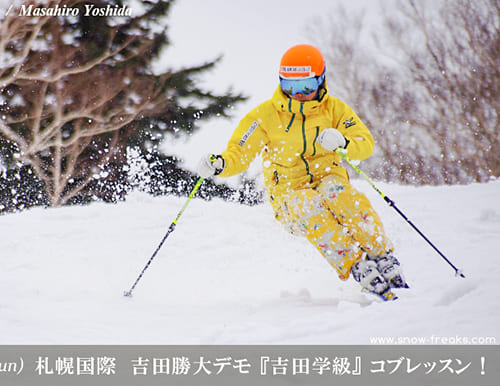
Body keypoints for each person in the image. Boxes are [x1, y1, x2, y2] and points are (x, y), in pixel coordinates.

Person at [197, 44, 408, 299]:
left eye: (306, 86)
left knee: (338, 192)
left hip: (328, 179)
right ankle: (356, 264)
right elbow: (238, 153)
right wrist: (219, 164)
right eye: (290, 87)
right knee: (308, 203)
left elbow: (365, 144)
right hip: (289, 197)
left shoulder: (335, 110)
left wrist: (344, 142)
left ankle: (382, 255)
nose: (299, 94)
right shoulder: (264, 116)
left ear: (321, 81)